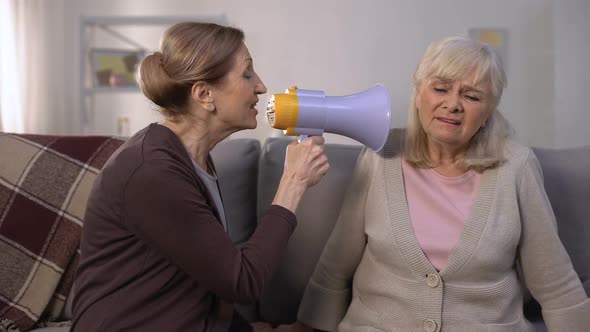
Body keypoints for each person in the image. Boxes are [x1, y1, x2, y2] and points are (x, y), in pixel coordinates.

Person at [291, 36, 590, 331]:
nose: (453, 104)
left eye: (471, 96)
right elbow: (336, 264)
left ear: (488, 112)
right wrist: (305, 327)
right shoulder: (381, 154)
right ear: (419, 94)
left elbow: (556, 286)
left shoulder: (517, 166)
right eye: (441, 89)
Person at [71, 22, 329, 332]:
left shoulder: (191, 159)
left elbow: (202, 278)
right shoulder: (152, 173)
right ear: (205, 94)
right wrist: (294, 182)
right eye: (247, 73)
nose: (261, 86)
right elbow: (242, 282)